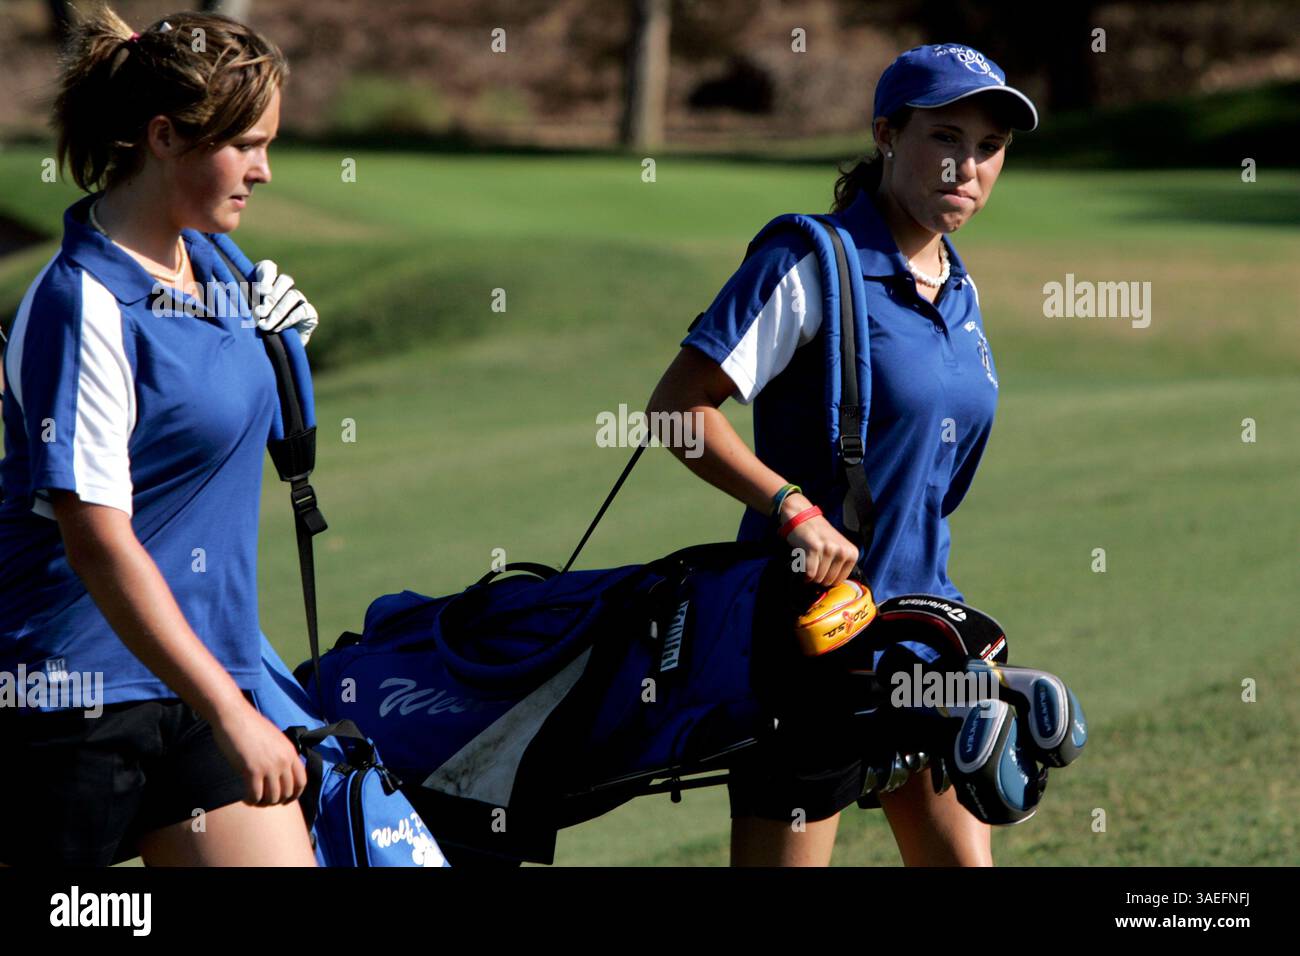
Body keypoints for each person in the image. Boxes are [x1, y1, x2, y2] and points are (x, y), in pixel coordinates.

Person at [646, 43, 1038, 866]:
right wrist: (792, 508)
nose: (966, 165)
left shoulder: (958, 289)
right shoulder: (809, 263)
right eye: (945, 136)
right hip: (811, 644)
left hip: (926, 637)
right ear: (887, 134)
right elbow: (677, 413)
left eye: (989, 147)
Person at [0, 8, 321, 866]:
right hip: (74, 701)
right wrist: (230, 715)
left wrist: (283, 349)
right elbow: (96, 539)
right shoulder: (82, 304)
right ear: (165, 137)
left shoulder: (214, 263)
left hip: (202, 672)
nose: (263, 170)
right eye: (246, 145)